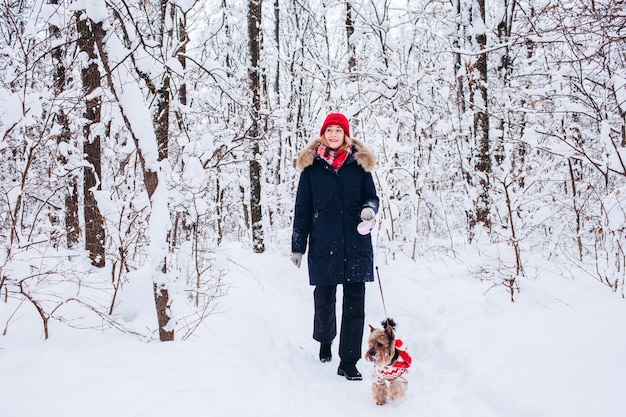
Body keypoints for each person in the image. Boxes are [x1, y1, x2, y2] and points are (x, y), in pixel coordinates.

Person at [290, 112, 379, 381]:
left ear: (345, 135)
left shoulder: (359, 166)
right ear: (323, 134)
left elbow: (372, 197)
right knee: (325, 300)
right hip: (324, 242)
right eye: (329, 130)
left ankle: (349, 362)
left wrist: (368, 209)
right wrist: (298, 246)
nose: (333, 135)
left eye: (338, 131)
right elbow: (302, 209)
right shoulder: (312, 169)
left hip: (355, 244)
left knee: (355, 304)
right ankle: (326, 340)